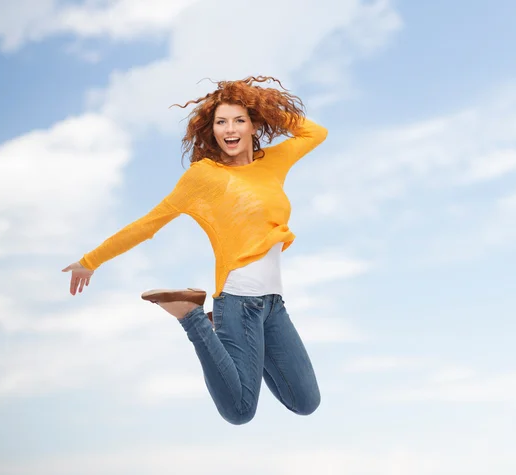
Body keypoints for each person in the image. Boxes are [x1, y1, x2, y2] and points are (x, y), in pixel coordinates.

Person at [63, 75, 328, 425]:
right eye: (221, 122)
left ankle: (216, 328)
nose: (229, 129)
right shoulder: (203, 177)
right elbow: (149, 223)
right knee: (240, 411)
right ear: (212, 129)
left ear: (252, 125)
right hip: (237, 302)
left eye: (239, 120)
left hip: (274, 306)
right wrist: (90, 261)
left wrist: (267, 107)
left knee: (305, 401)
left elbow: (315, 133)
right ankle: (191, 316)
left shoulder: (272, 163)